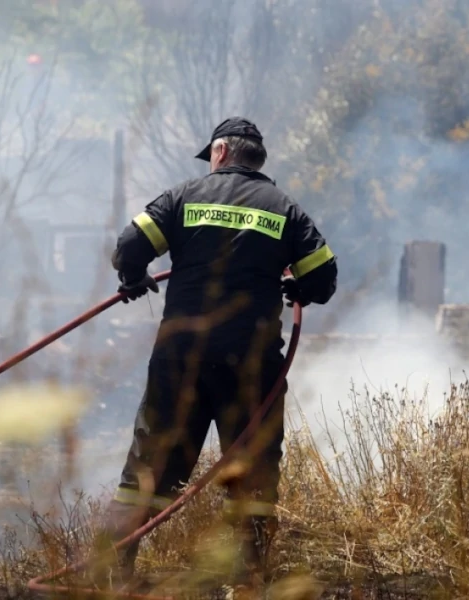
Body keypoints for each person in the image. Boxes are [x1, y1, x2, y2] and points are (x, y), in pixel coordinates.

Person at [99, 117, 337, 586]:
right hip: (252, 365)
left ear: (222, 151)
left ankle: (111, 575)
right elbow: (323, 279)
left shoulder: (183, 197)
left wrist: (133, 281)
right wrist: (295, 287)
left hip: (179, 360)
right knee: (252, 471)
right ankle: (246, 582)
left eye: (211, 153)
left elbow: (129, 245)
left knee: (151, 465)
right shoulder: (285, 210)